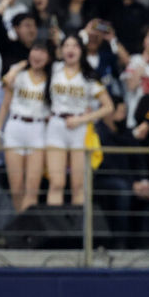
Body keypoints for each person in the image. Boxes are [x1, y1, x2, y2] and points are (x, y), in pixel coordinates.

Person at [46, 35, 115, 207]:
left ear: (81, 50)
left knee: (79, 185)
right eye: (66, 45)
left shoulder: (89, 76)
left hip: (79, 128)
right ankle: (53, 231)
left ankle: (79, 232)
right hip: (56, 125)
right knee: (56, 183)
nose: (70, 49)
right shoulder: (53, 68)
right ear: (61, 51)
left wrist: (82, 119)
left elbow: (108, 107)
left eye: (75, 45)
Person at [0, 44, 52, 212]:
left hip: (38, 129)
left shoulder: (52, 79)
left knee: (32, 188)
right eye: (35, 50)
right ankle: (21, 225)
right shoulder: (19, 75)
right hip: (15, 128)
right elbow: (5, 104)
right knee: (16, 188)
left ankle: (28, 233)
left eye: (43, 51)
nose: (38, 55)